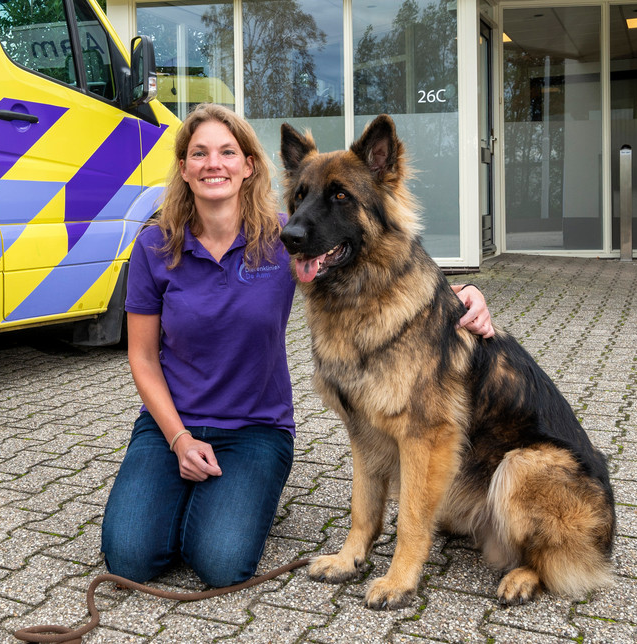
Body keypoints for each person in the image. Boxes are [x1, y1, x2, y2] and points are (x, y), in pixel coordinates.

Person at [99, 103, 493, 587]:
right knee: (129, 559)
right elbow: (141, 356)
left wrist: (464, 296)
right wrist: (178, 439)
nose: (213, 163)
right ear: (184, 168)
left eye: (227, 151)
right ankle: (179, 491)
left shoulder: (280, 239)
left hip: (253, 431)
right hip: (169, 427)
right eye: (199, 153)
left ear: (248, 165)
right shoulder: (156, 245)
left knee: (221, 564)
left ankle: (210, 504)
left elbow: (385, 268)